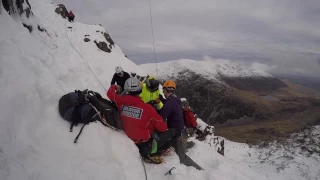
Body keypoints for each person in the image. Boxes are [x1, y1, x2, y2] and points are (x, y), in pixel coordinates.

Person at [106, 77, 176, 163]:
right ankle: (153, 153)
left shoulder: (120, 101)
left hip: (129, 138)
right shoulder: (148, 109)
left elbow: (110, 94)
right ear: (140, 90)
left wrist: (114, 86)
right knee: (173, 133)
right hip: (144, 145)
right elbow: (163, 128)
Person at [160, 80, 202, 170]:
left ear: (167, 90)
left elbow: (161, 117)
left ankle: (199, 170)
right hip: (181, 130)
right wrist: (161, 99)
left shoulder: (170, 103)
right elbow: (170, 105)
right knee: (179, 144)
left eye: (163, 90)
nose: (163, 92)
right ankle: (185, 144)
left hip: (177, 133)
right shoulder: (175, 99)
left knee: (181, 157)